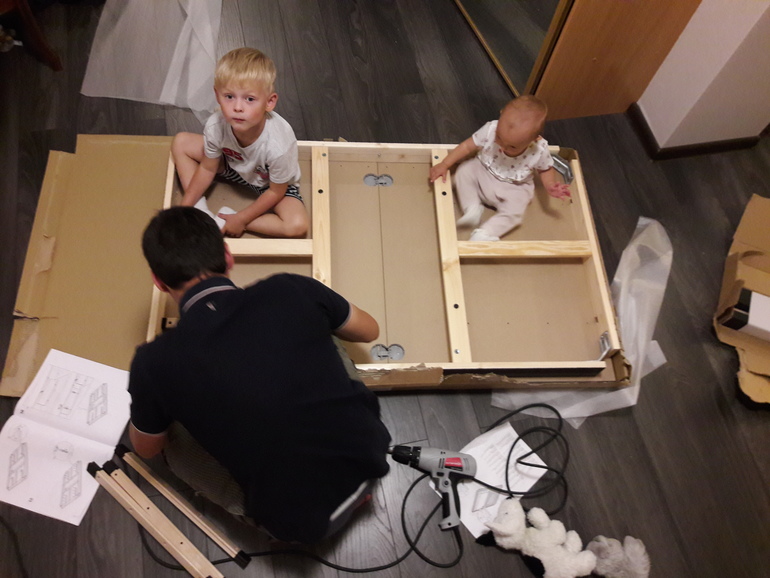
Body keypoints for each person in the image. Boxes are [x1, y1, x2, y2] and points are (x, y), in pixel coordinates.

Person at [128, 207, 391, 544]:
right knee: (322, 329)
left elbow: (146, 449)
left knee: (171, 442)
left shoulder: (153, 362)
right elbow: (369, 331)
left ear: (158, 282)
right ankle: (356, 493)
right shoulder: (292, 288)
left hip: (299, 524)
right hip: (371, 458)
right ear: (228, 256)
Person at [171, 47, 309, 239]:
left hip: (270, 184)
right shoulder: (216, 126)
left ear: (269, 102)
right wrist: (184, 208)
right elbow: (208, 168)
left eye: (249, 99)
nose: (237, 107)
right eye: (229, 97)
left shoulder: (279, 145)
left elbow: (276, 192)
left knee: (297, 226)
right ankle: (200, 212)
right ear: (217, 95)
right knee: (181, 142)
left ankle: (226, 219)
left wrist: (242, 219)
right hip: (233, 165)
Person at [429, 95, 571, 242]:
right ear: (501, 114)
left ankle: (485, 233)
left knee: (516, 211)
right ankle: (472, 208)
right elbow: (466, 147)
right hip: (484, 170)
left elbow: (545, 169)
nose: (502, 148)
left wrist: (550, 185)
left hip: (515, 187)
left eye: (512, 147)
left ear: (534, 139)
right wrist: (445, 164)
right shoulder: (491, 129)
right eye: (499, 138)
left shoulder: (539, 150)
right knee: (464, 171)